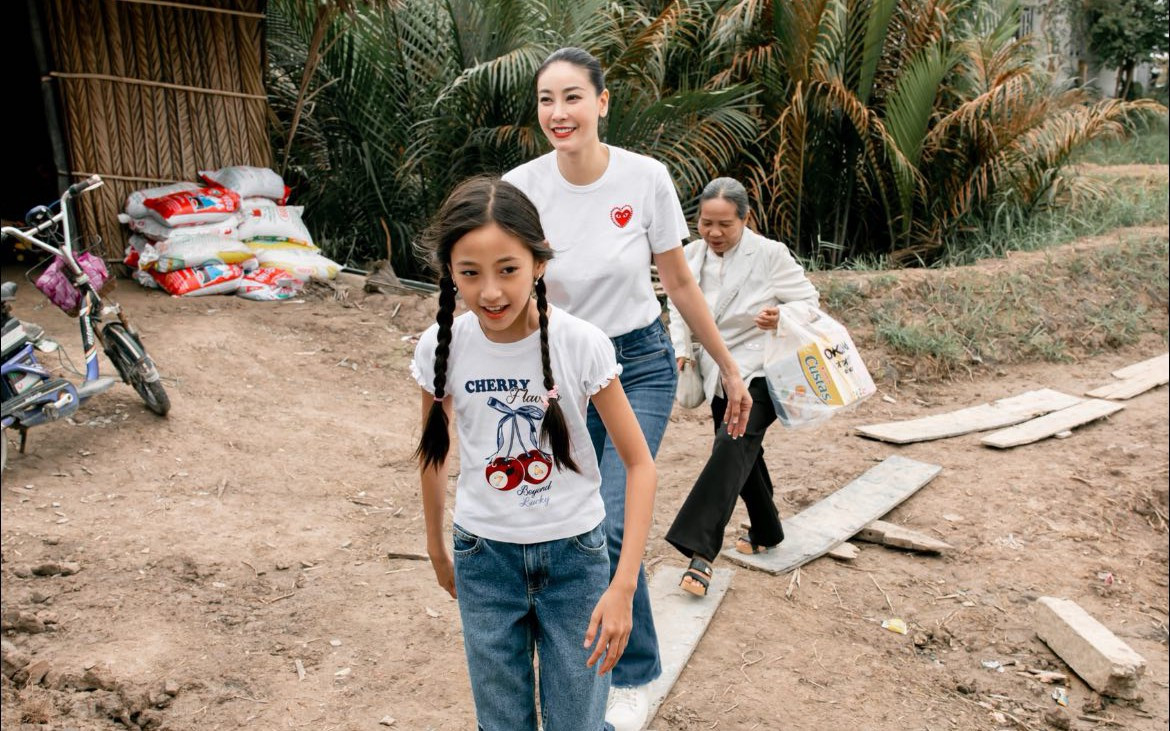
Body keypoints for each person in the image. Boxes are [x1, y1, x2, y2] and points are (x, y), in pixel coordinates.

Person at [503, 47, 752, 730]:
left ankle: (633, 672)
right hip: (558, 371)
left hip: (637, 363)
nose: (559, 112)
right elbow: (506, 286)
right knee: (567, 521)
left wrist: (729, 368)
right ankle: (579, 651)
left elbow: (679, 283)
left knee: (612, 521)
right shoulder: (520, 188)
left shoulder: (645, 178)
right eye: (547, 99)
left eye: (573, 97)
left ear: (602, 103)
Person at [413, 176, 656, 731]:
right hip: (484, 558)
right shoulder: (441, 347)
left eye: (507, 269)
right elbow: (434, 454)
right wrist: (435, 547)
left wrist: (622, 586)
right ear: (449, 271)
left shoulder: (580, 344)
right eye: (469, 273)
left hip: (576, 560)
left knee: (578, 722)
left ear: (539, 264)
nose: (490, 292)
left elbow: (640, 465)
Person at [663, 177, 819, 596]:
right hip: (716, 369)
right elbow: (677, 306)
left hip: (761, 367)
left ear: (745, 219)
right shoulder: (689, 256)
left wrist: (781, 317)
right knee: (740, 448)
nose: (713, 233)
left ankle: (700, 551)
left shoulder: (769, 254)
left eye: (724, 225)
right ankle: (767, 529)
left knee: (733, 440)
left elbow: (809, 301)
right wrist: (682, 350)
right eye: (706, 223)